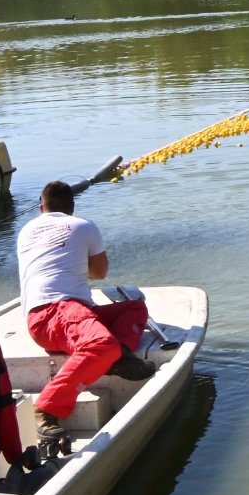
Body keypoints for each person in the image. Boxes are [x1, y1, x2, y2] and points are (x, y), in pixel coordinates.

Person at [17, 180, 154, 444]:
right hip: (56, 311)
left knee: (135, 307)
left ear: (40, 207)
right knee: (102, 345)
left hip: (51, 314)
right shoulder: (83, 225)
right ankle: (46, 407)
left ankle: (119, 357)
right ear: (72, 207)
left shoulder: (26, 230)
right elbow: (99, 273)